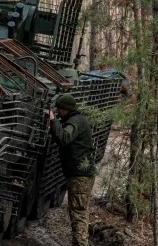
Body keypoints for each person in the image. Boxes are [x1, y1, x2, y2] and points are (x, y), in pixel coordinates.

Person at [49, 93, 95, 246]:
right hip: (81, 174)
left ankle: (81, 243)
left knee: (78, 213)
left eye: (59, 110)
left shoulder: (75, 121)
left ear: (65, 109)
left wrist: (52, 120)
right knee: (80, 211)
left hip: (79, 175)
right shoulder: (78, 119)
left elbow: (63, 138)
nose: (58, 112)